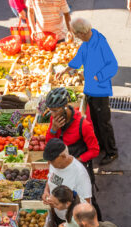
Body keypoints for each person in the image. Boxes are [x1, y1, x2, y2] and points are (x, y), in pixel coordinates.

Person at [68, 18, 119, 166]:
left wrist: (97, 76)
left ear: (81, 33)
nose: (75, 36)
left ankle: (112, 152)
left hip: (100, 90)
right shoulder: (87, 43)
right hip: (91, 89)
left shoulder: (100, 43)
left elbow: (113, 66)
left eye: (76, 34)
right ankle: (102, 145)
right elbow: (80, 57)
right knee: (96, 120)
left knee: (103, 122)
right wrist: (68, 68)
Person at [44, 89, 99, 187]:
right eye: (50, 110)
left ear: (65, 107)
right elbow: (49, 145)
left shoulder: (84, 125)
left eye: (55, 110)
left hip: (79, 169)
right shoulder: (54, 119)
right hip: (61, 169)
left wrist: (74, 162)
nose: (52, 114)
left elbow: (94, 150)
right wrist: (53, 130)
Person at [42, 138, 93, 207]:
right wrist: (46, 191)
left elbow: (86, 203)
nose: (49, 163)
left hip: (71, 216)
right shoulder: (54, 165)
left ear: (63, 156)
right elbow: (50, 178)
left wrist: (64, 206)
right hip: (56, 213)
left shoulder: (80, 173)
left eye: (51, 160)